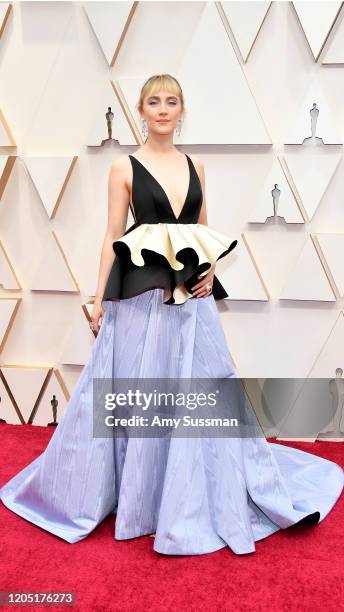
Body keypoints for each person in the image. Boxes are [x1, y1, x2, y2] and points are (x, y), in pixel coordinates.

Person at [0, 74, 343, 556]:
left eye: (172, 101)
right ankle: (138, 495)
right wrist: (99, 299)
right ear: (141, 109)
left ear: (183, 110)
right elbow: (111, 235)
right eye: (154, 101)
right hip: (141, 298)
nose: (163, 109)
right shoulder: (123, 166)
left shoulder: (196, 165)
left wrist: (212, 270)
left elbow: (201, 233)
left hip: (192, 301)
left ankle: (187, 492)